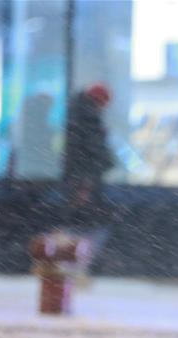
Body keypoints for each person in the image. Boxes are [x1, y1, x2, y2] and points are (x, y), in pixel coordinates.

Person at [62, 83, 114, 229]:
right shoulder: (87, 118)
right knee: (82, 218)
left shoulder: (78, 114)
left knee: (78, 216)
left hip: (81, 177)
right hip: (85, 178)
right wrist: (85, 185)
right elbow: (90, 150)